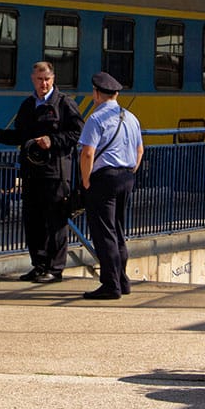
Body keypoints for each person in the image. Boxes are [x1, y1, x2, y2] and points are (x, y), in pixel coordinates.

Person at [0, 60, 84, 283]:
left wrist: (52, 140)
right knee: (33, 221)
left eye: (47, 79)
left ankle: (55, 269)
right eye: (39, 80)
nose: (43, 83)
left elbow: (77, 134)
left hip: (55, 173)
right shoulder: (28, 105)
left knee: (55, 222)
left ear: (53, 79)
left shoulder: (64, 104)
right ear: (33, 80)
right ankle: (39, 265)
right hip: (31, 172)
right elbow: (21, 136)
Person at [77, 71, 143, 301]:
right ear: (115, 94)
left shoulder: (95, 119)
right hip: (126, 177)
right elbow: (139, 151)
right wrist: (130, 172)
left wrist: (86, 180)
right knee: (117, 230)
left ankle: (110, 284)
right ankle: (123, 281)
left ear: (96, 93)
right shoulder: (131, 117)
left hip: (104, 179)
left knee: (104, 233)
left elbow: (87, 153)